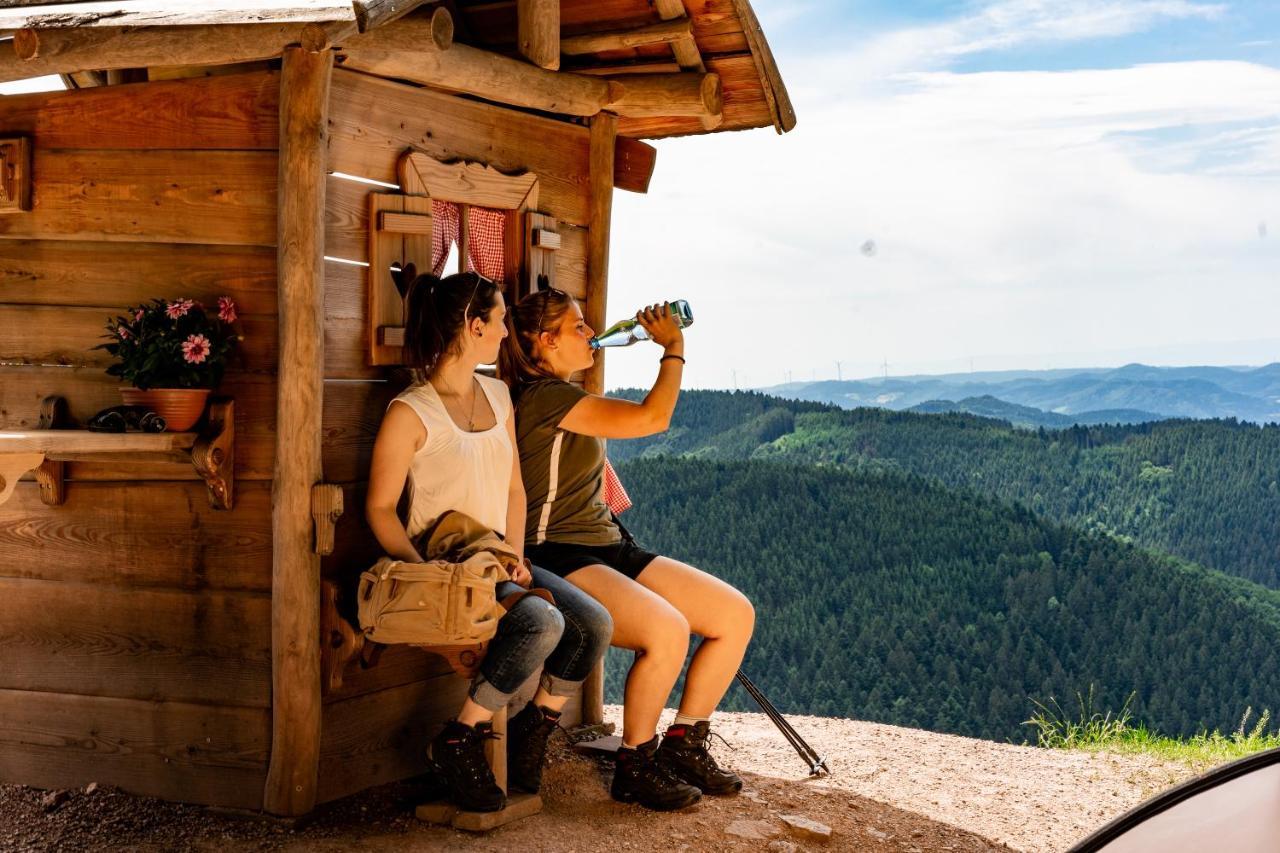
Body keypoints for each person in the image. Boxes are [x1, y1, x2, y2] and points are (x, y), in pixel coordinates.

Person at [365, 271, 613, 813]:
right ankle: (460, 738)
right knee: (541, 621)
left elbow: (514, 489)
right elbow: (380, 511)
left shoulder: (499, 395)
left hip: (498, 560)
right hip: (442, 565)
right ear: (474, 326)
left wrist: (516, 557)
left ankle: (532, 729)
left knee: (593, 624)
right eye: (499, 321)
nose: (505, 334)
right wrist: (425, 574)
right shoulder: (411, 413)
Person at [499, 290, 755, 812]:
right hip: (558, 551)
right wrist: (672, 347)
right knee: (666, 630)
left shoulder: (565, 393)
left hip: (606, 545)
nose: (590, 331)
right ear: (545, 341)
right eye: (577, 326)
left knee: (733, 614)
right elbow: (650, 419)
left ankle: (685, 743)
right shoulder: (544, 397)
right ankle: (635, 763)